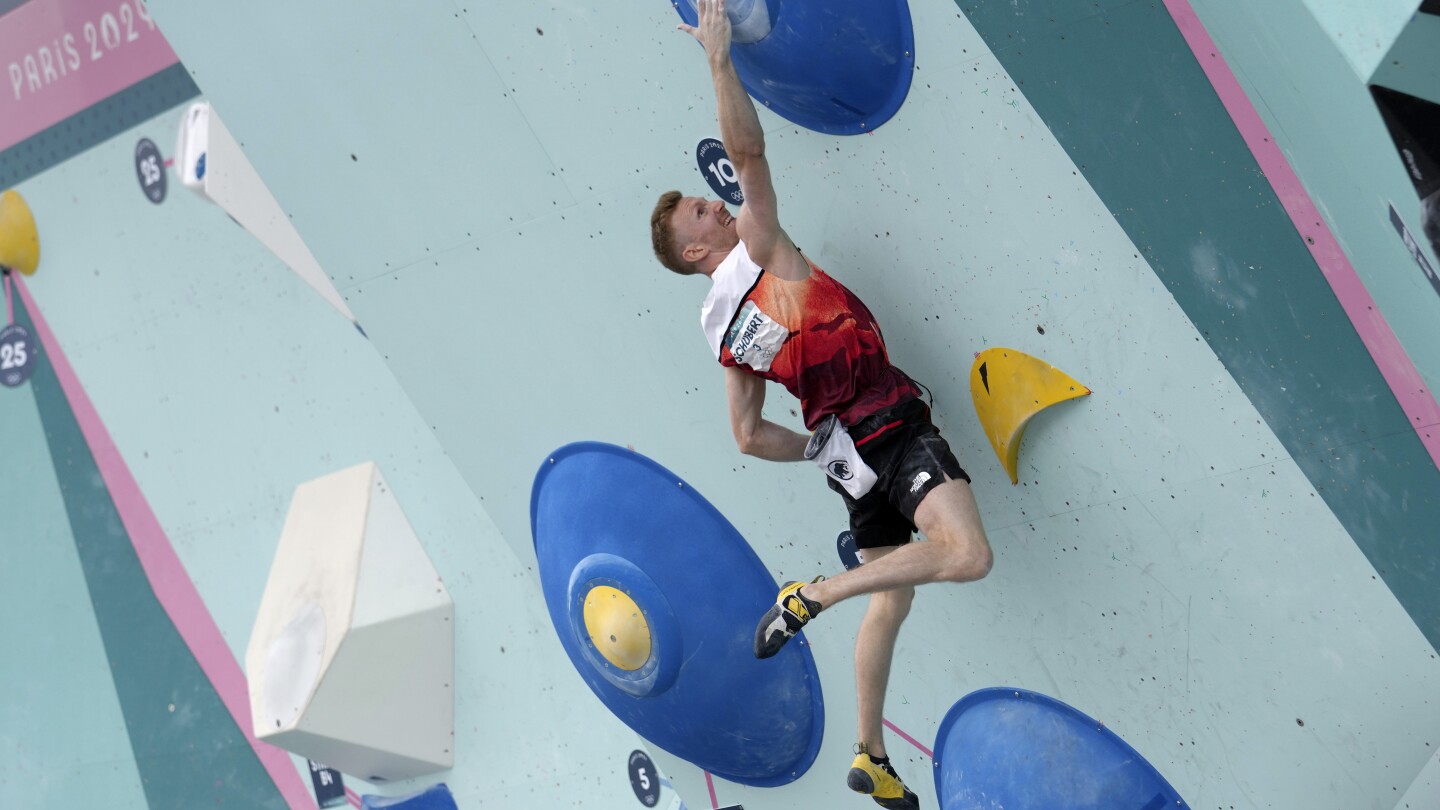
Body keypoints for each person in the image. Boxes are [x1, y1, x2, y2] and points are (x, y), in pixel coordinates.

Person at [650, 1, 994, 807]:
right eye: (704, 212)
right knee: (967, 554)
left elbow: (745, 435)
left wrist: (817, 449)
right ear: (697, 252)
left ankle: (870, 752)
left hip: (848, 458)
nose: (720, 204)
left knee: (896, 594)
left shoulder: (723, 333)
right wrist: (717, 59)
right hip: (891, 423)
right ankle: (812, 595)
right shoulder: (766, 254)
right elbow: (747, 147)